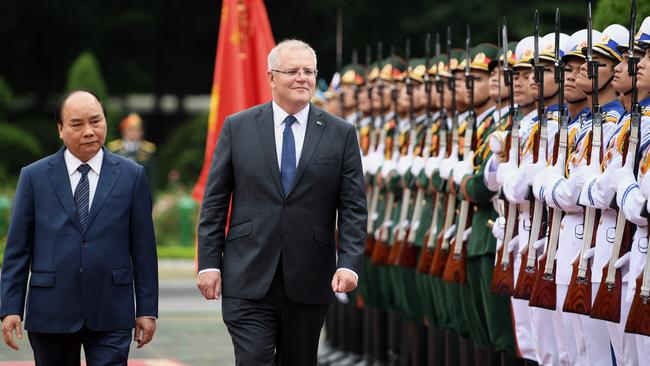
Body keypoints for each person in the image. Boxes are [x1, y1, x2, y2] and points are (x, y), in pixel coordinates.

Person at [196, 39, 368, 365]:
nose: (302, 78)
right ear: (271, 78)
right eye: (292, 71)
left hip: (309, 276)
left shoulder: (340, 133)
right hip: (246, 274)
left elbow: (353, 207)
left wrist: (348, 262)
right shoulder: (238, 127)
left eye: (308, 71)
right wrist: (209, 262)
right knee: (254, 359)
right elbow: (215, 202)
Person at [0, 90, 158, 365]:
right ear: (60, 129)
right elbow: (17, 249)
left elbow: (143, 249)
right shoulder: (34, 177)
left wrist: (147, 309)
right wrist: (10, 308)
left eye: (96, 122)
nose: (89, 131)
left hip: (112, 309)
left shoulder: (132, 176)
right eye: (77, 124)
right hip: (51, 311)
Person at [107, 113, 157, 187]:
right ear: (124, 131)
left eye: (137, 130)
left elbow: (152, 176)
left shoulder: (148, 150)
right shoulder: (114, 149)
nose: (135, 133)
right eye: (131, 129)